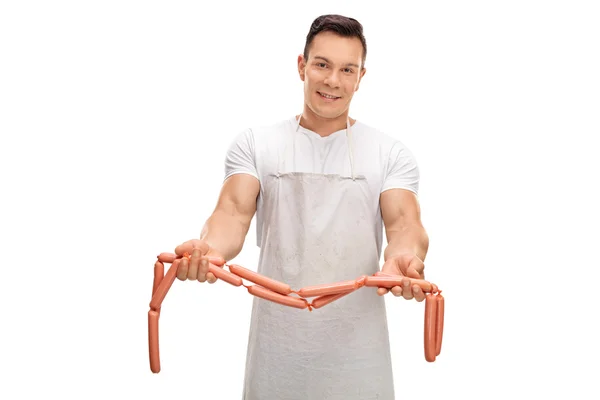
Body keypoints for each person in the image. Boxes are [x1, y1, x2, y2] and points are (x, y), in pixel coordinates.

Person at [173, 14, 430, 400]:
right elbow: (231, 213)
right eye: (322, 65)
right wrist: (209, 249)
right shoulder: (256, 144)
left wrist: (405, 258)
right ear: (302, 66)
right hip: (277, 351)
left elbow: (405, 223)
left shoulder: (389, 153)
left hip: (360, 355)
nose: (333, 80)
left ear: (360, 77)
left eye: (347, 69)